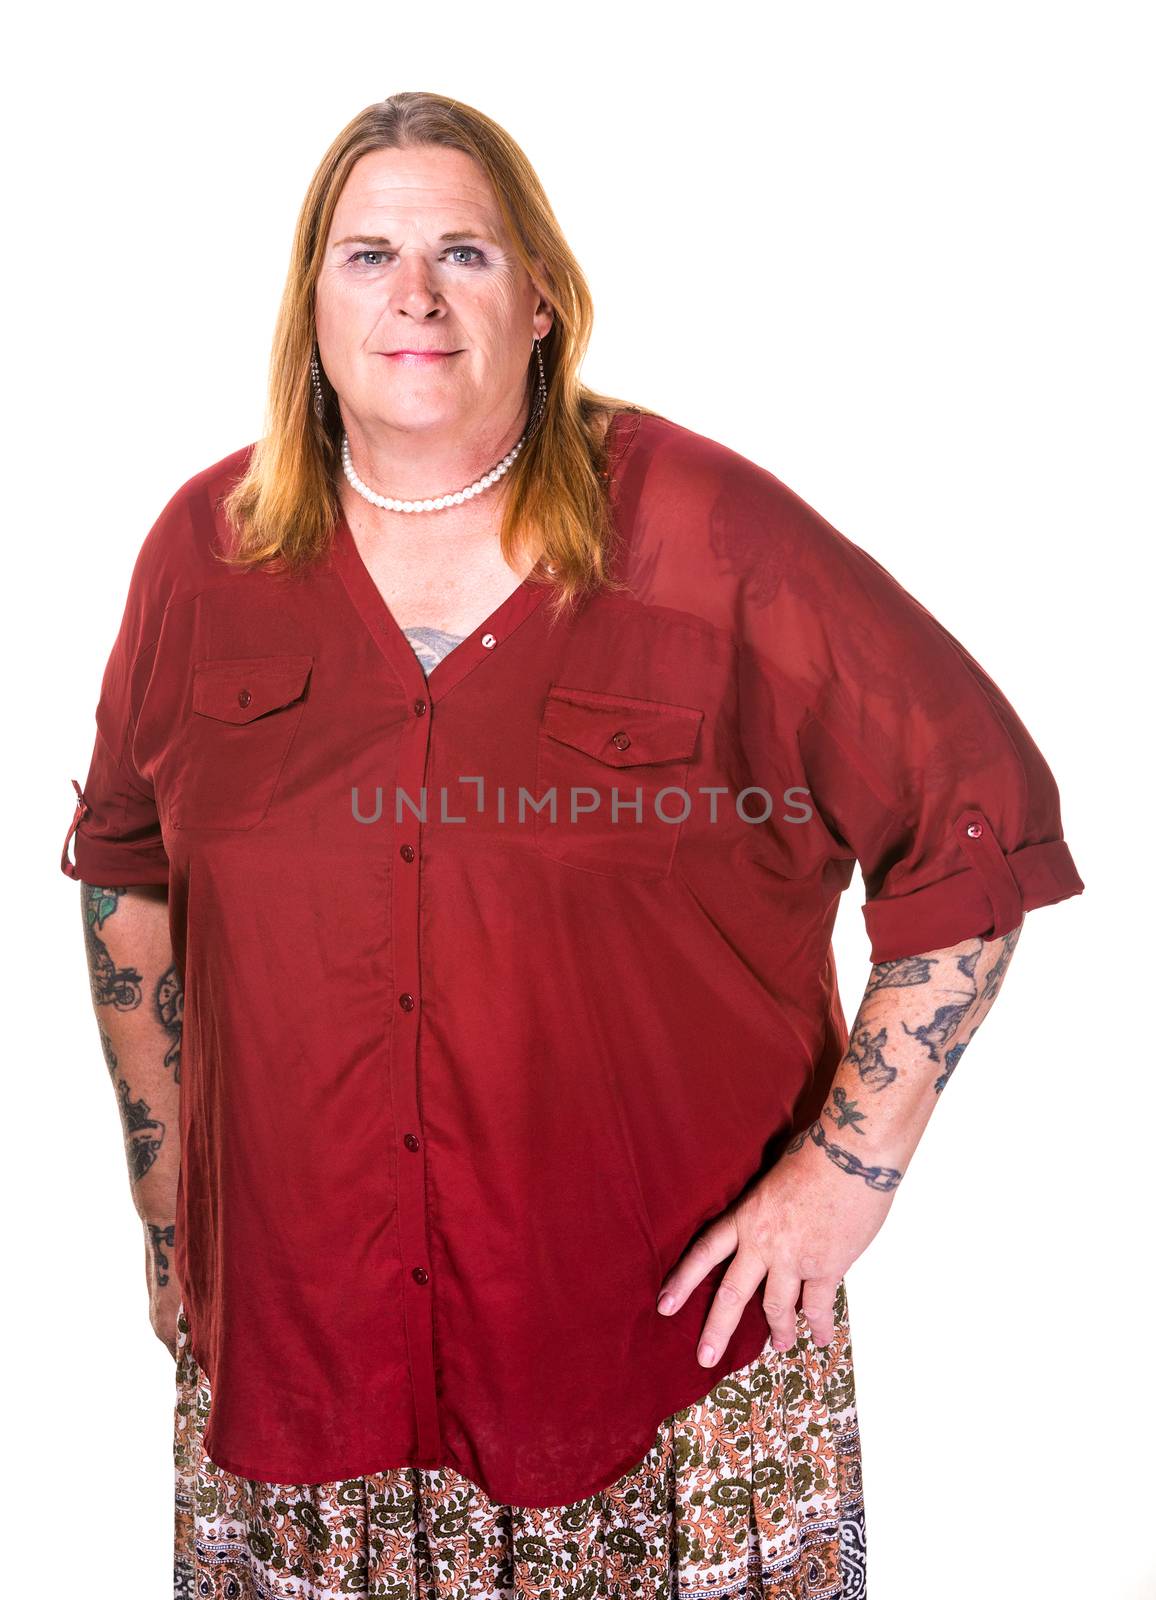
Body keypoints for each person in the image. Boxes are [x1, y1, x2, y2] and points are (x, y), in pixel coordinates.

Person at [60, 92, 1084, 1600]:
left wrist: (849, 1173)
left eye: (463, 252)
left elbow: (972, 812)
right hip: (303, 1384)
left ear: (540, 298)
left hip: (664, 1384)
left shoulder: (703, 533)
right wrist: (168, 1218)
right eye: (367, 256)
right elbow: (129, 874)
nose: (414, 295)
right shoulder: (204, 554)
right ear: (311, 304)